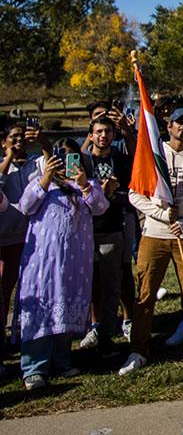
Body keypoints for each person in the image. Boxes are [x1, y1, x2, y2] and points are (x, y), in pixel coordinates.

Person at [120, 107, 183, 376]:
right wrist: (162, 215)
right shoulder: (152, 155)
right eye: (178, 123)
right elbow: (134, 195)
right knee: (146, 293)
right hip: (155, 233)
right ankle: (138, 349)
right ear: (168, 125)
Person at [16, 139, 108, 390]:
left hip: (73, 263)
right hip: (43, 263)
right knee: (42, 308)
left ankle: (61, 360)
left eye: (72, 157)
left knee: (65, 306)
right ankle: (34, 367)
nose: (66, 163)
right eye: (61, 157)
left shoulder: (86, 186)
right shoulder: (40, 184)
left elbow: (100, 208)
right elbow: (25, 207)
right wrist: (45, 178)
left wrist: (84, 185)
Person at [79, 116, 133, 355]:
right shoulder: (80, 162)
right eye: (99, 131)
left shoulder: (121, 161)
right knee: (89, 285)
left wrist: (112, 194)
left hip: (112, 229)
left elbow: (132, 193)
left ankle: (107, 336)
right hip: (83, 232)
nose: (103, 135)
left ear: (114, 135)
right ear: (90, 135)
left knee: (112, 286)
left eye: (108, 131)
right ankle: (93, 326)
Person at [0, 122, 45, 370]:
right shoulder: (2, 164)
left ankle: (27, 336)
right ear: (4, 141)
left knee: (30, 294)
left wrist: (42, 142)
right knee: (2, 294)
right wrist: (7, 158)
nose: (18, 141)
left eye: (21, 137)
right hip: (5, 240)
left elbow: (50, 170)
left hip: (32, 238)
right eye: (13, 137)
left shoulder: (35, 163)